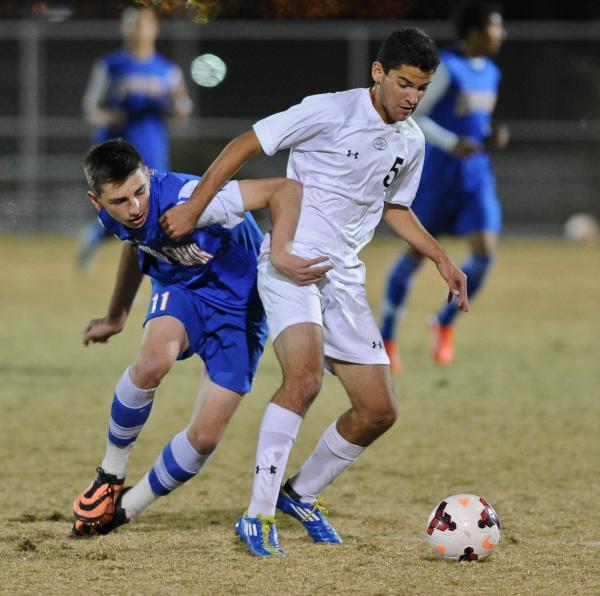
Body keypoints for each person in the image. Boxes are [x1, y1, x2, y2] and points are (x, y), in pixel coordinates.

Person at [158, 28, 469, 557]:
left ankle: (299, 494)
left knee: (377, 411)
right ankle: (256, 516)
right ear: (377, 72)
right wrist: (193, 208)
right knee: (302, 379)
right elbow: (246, 144)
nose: (413, 97)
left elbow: (394, 207)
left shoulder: (411, 141)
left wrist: (441, 258)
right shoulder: (328, 111)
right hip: (290, 261)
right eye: (404, 84)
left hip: (344, 279)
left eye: (422, 87)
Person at [71, 139, 331, 537]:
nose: (135, 207)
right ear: (97, 201)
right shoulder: (117, 218)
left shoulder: (187, 196)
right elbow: (135, 247)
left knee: (206, 436)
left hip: (242, 308)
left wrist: (279, 251)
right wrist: (116, 315)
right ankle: (110, 473)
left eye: (140, 192)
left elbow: (283, 189)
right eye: (120, 201)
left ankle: (126, 508)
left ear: (148, 176)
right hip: (182, 290)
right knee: (153, 360)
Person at [380, 3, 508, 373]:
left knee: (485, 253)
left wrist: (490, 136)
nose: (501, 35)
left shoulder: (493, 73)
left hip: (475, 175)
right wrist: (452, 143)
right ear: (474, 32)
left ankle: (443, 322)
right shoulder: (447, 70)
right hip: (437, 174)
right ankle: (387, 335)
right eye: (495, 27)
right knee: (418, 254)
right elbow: (417, 115)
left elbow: (474, 123)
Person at [76, 6, 193, 271]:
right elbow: (91, 108)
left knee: (156, 211)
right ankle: (95, 237)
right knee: (119, 210)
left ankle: (157, 269)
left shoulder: (167, 70)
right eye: (132, 24)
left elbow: (183, 108)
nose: (138, 30)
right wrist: (110, 117)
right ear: (124, 29)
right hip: (118, 153)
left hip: (151, 150)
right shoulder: (111, 65)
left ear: (154, 28)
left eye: (143, 24)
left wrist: (176, 105)